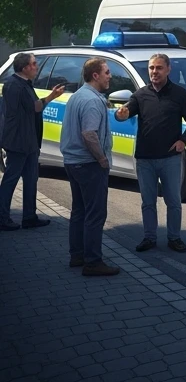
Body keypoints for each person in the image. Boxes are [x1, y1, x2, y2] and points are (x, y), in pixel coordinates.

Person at [115, 52, 186, 253]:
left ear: (168, 69)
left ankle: (174, 238)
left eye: (159, 68)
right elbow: (123, 114)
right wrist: (121, 114)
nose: (154, 72)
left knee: (173, 202)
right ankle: (149, 238)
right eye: (151, 68)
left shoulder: (179, 94)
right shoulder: (140, 95)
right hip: (145, 159)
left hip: (170, 159)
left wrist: (183, 141)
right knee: (148, 202)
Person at [59, 58, 120, 276]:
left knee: (79, 211)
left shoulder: (78, 96)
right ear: (95, 75)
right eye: (106, 72)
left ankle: (77, 255)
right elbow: (89, 133)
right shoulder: (93, 101)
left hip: (73, 162)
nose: (110, 76)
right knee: (95, 214)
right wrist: (102, 159)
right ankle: (93, 262)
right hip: (88, 164)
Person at [0, 52, 65, 232]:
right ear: (25, 68)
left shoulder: (23, 84)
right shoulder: (15, 86)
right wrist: (52, 96)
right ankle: (2, 217)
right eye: (34, 64)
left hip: (28, 141)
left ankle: (29, 216)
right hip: (18, 142)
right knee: (11, 179)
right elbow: (34, 107)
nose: (36, 67)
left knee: (31, 179)